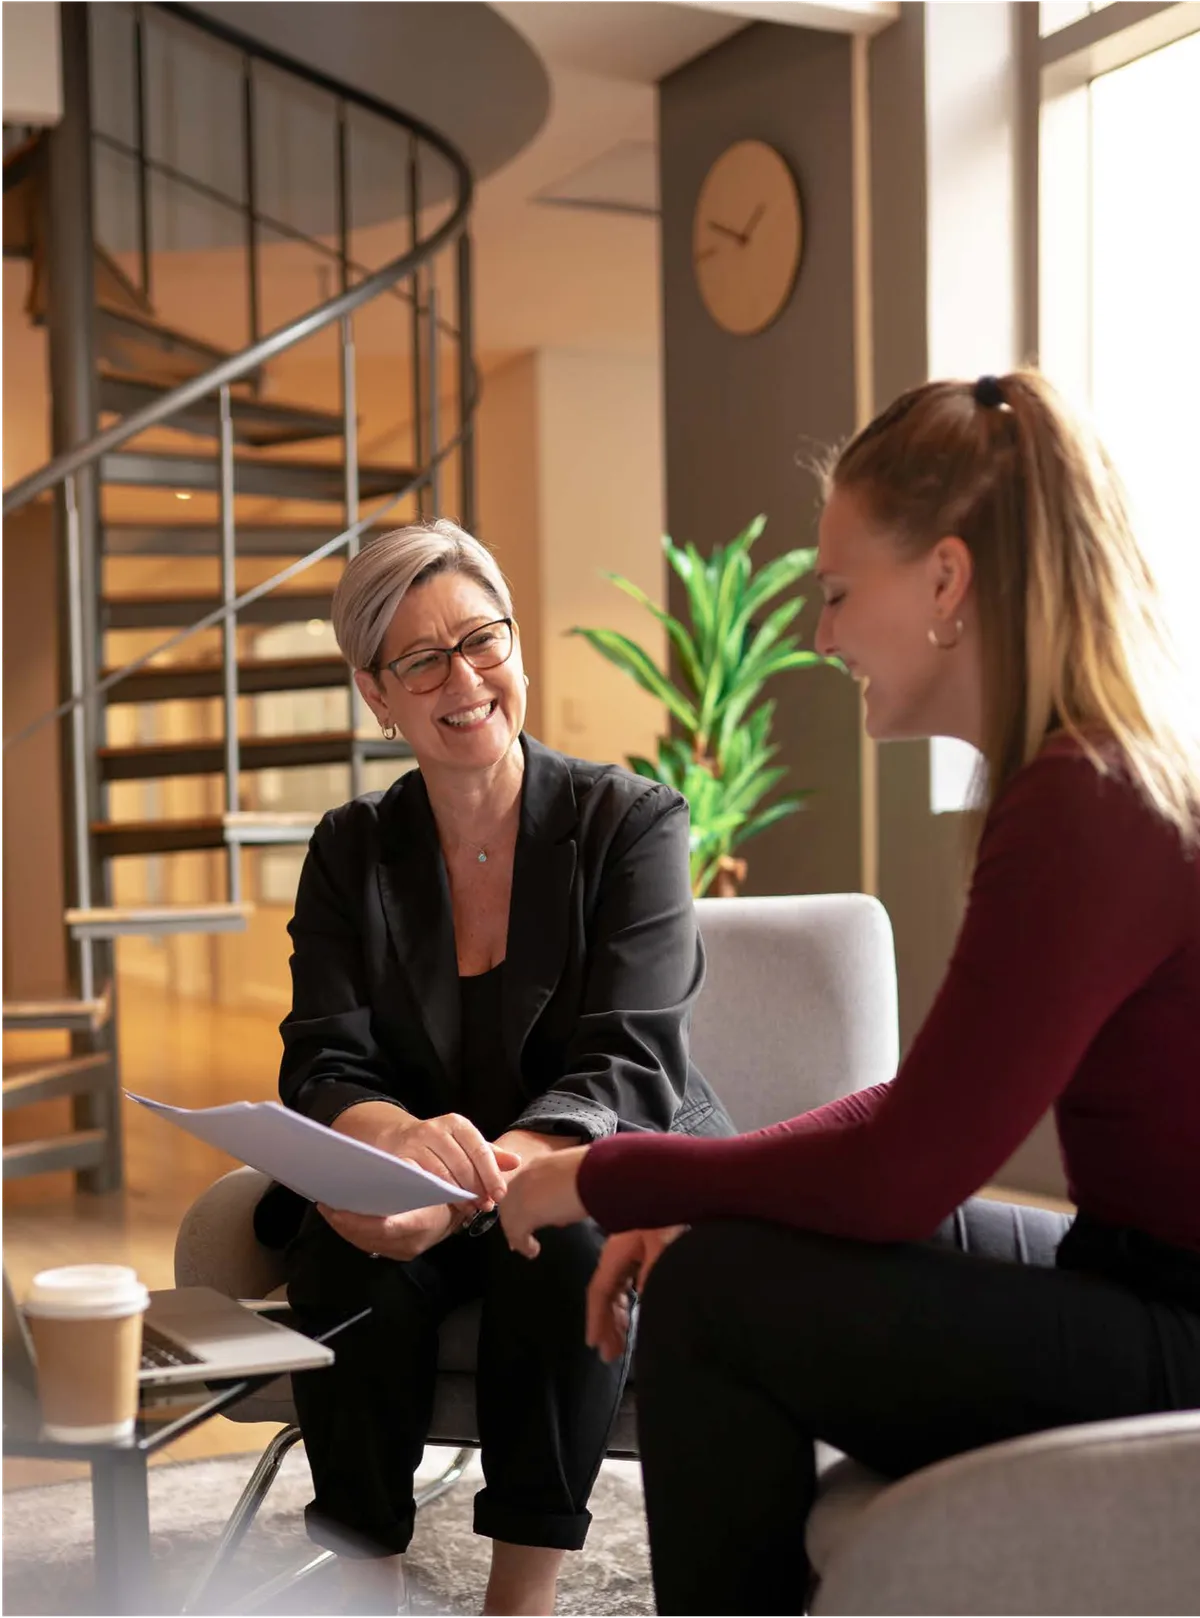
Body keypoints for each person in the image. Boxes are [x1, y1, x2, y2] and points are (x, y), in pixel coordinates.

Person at [498, 371, 1200, 1617]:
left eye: (834, 591)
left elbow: (901, 1175)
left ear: (945, 580)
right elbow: (916, 1115)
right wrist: (684, 1189)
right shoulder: (1085, 775)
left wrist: (605, 1176)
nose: (821, 636)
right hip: (1132, 1271)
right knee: (735, 1246)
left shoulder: (1084, 801)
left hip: (1179, 1327)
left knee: (714, 1300)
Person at [270, 518, 733, 1618]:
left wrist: (472, 1188)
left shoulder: (630, 822)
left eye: (483, 639)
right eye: (422, 659)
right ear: (376, 693)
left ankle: (518, 1599)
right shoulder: (350, 847)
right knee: (340, 1250)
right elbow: (325, 1051)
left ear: (516, 645)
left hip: (586, 1150)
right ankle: (366, 1584)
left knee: (561, 1235)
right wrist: (387, 1145)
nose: (464, 678)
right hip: (421, 1171)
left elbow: (628, 1055)